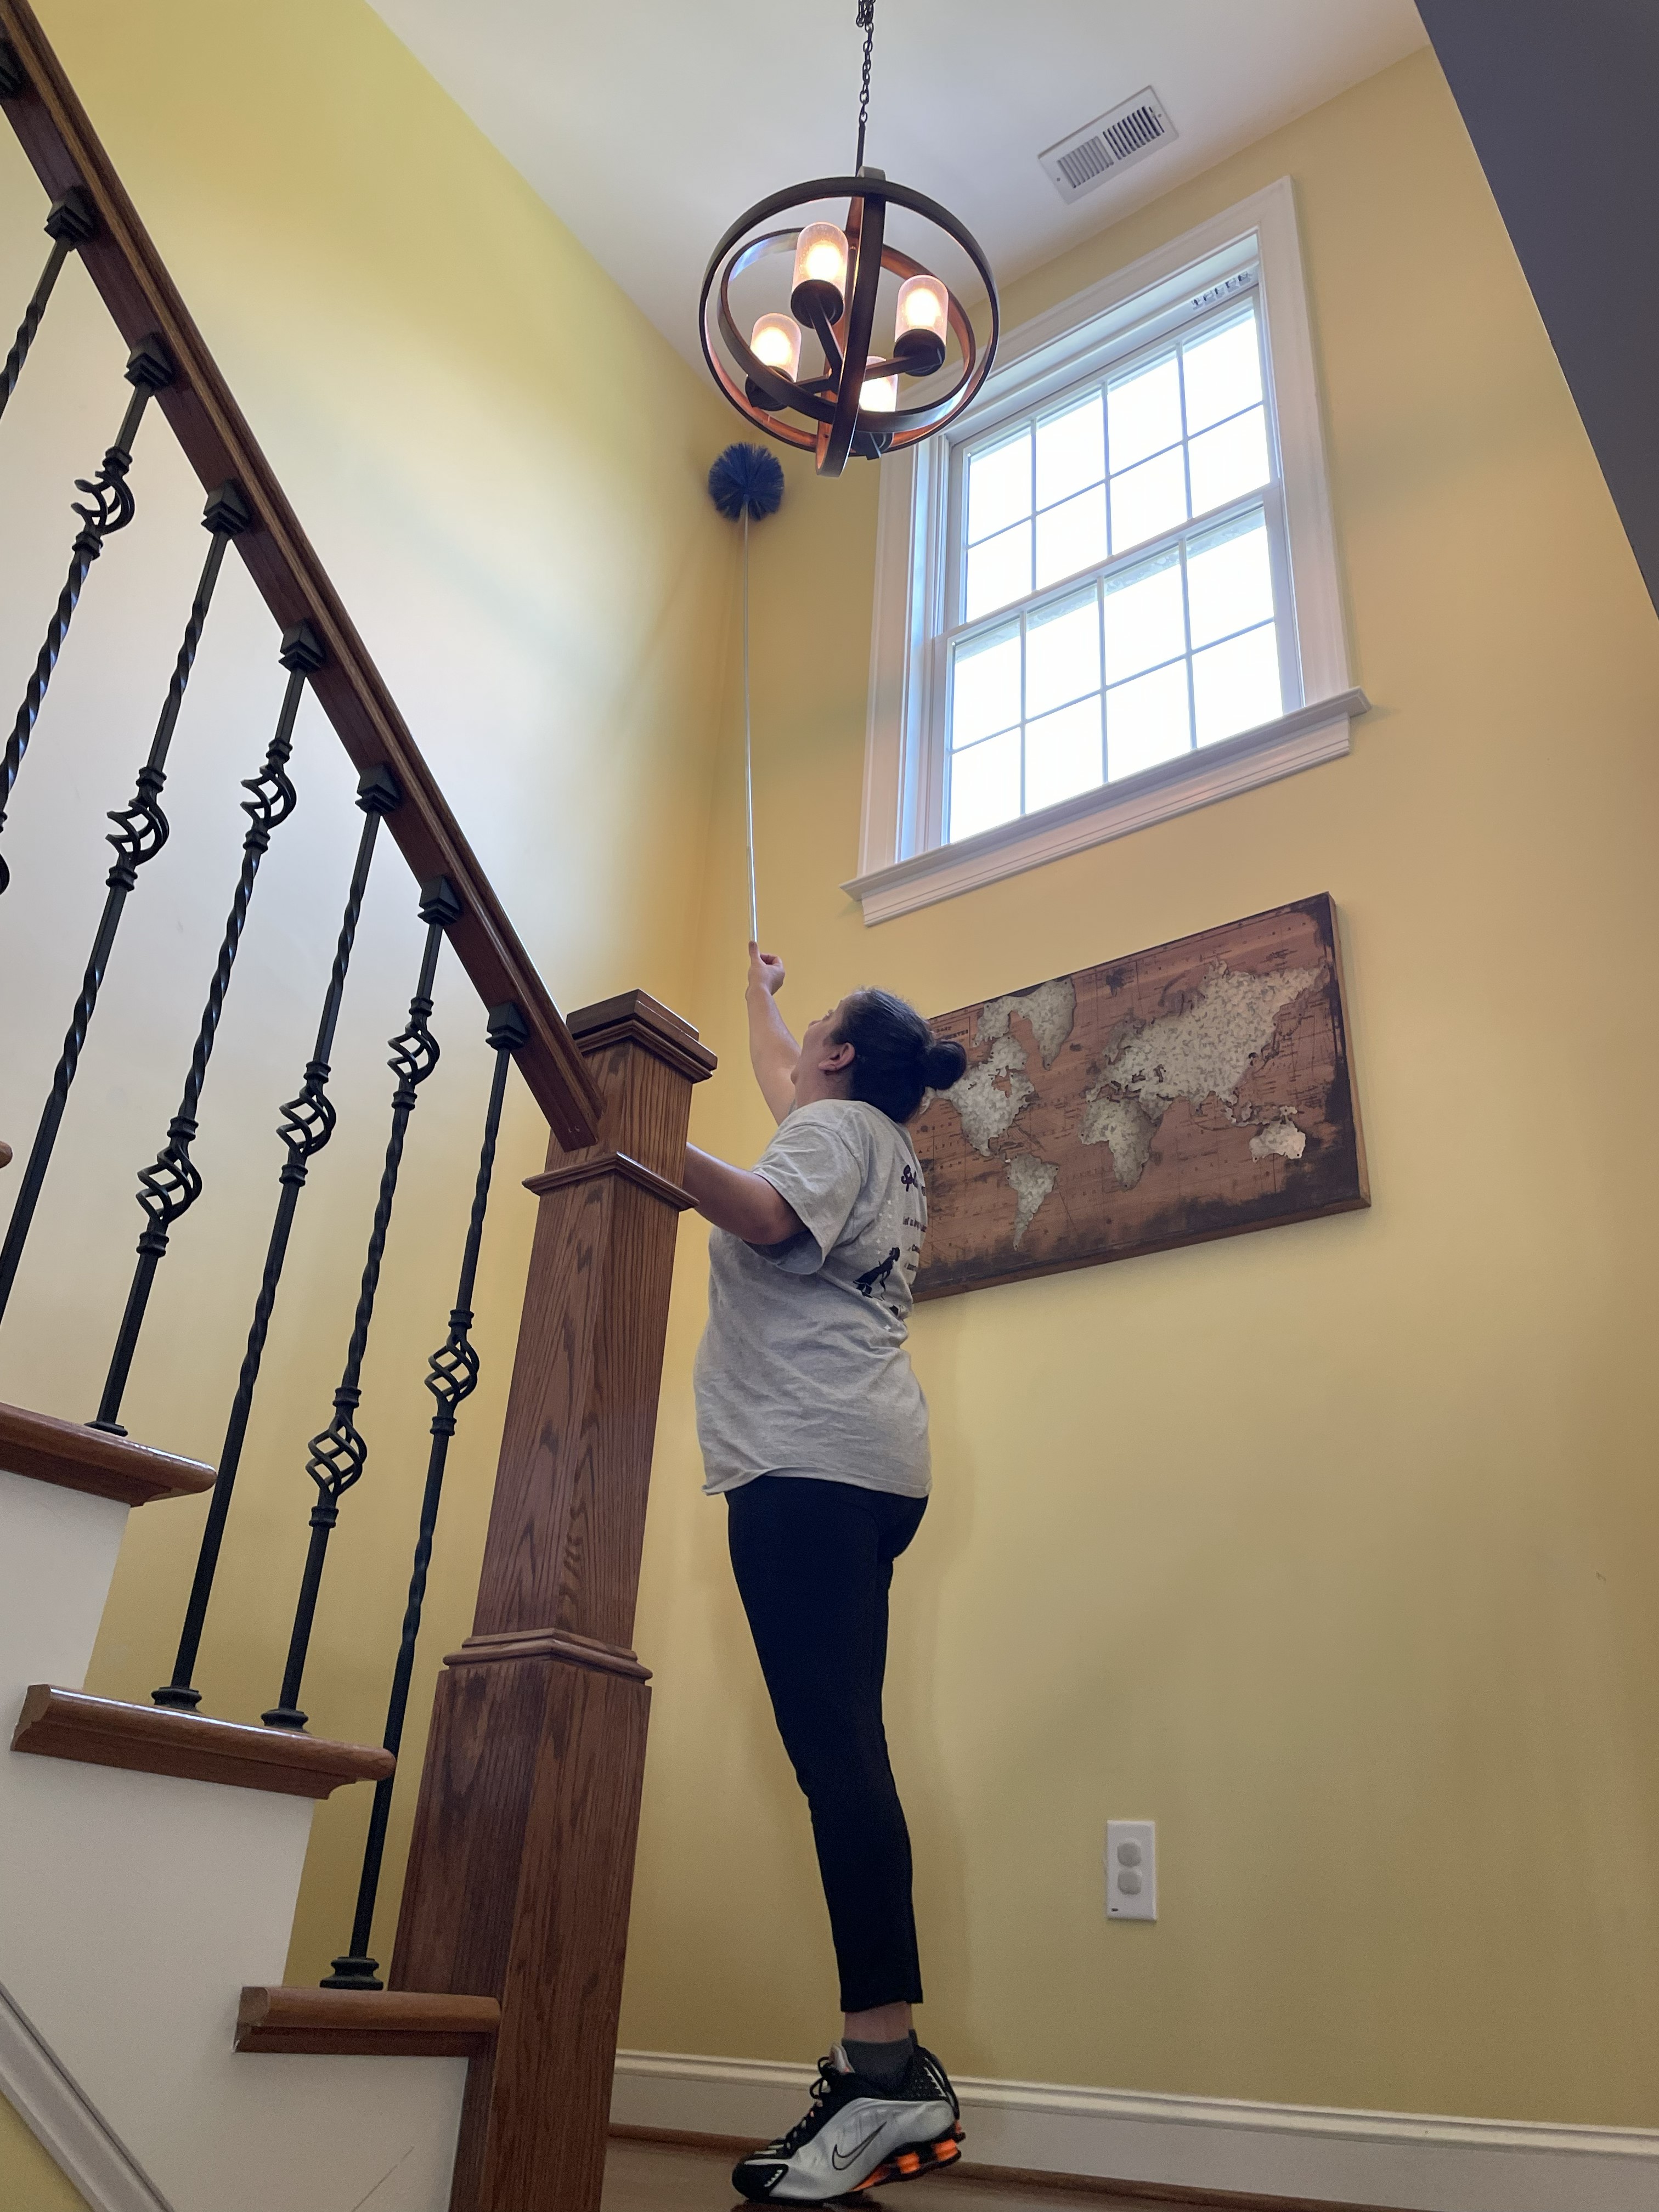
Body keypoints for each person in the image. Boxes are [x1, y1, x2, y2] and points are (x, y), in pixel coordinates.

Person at [680, 944, 969, 2206]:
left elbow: (760, 1210)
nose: (795, 1057)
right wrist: (758, 997)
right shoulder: (874, 1138)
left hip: (807, 1470)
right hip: (867, 1467)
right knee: (845, 1749)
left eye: (812, 1036)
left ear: (842, 1059)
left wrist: (634, 1131)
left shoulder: (832, 1133)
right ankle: (880, 2071)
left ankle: (886, 2066)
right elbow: (781, 1078)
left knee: (839, 1757)